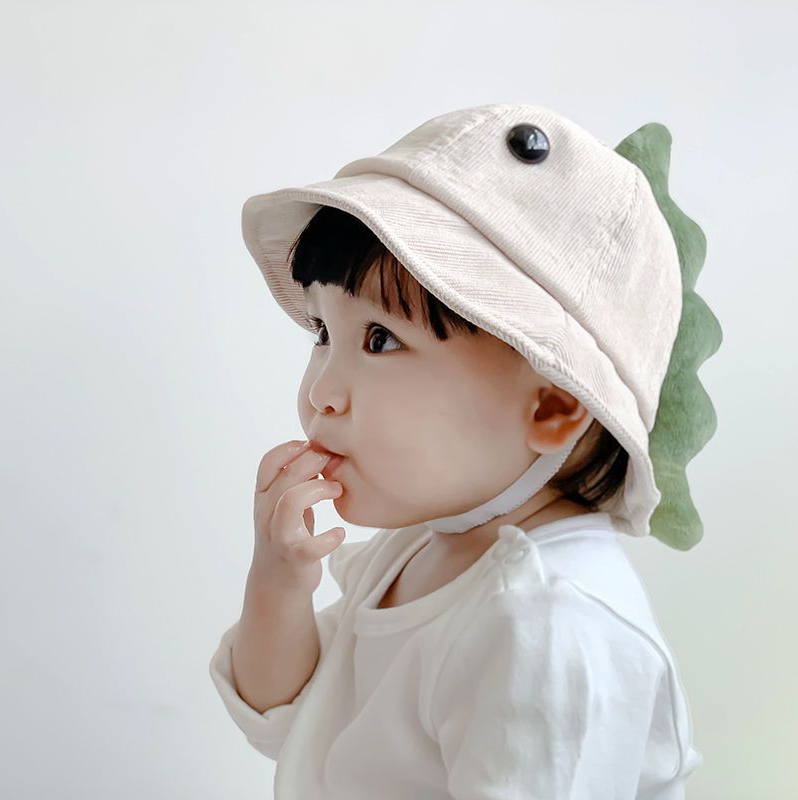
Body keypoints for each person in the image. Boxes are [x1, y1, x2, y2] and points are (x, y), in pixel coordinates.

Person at [209, 103, 721, 798]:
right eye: (322, 332)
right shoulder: (426, 546)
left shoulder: (550, 625)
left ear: (553, 406)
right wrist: (278, 581)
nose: (321, 392)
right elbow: (287, 720)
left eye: (380, 340)